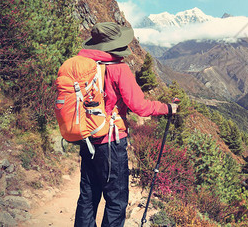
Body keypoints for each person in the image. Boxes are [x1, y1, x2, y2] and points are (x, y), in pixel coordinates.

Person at [74, 22, 177, 227]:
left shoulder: (82, 67)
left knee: (88, 196)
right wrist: (167, 108)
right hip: (111, 141)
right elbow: (140, 106)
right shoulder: (118, 69)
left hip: (86, 137)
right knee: (116, 200)